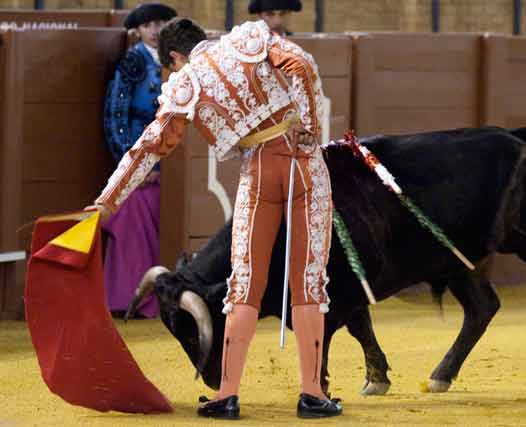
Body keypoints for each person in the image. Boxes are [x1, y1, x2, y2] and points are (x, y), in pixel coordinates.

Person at [87, 17, 342, 419]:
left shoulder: (187, 83)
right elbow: (302, 65)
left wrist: (107, 200)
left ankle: (227, 395)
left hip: (259, 171)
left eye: (168, 68)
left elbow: (150, 146)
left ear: (174, 57)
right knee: (308, 280)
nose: (171, 75)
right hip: (305, 165)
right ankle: (313, 394)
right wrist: (308, 126)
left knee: (244, 283)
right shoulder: (247, 38)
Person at [102, 3, 176, 318]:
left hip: (167, 164)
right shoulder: (132, 61)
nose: (156, 31)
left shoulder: (173, 59)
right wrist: (133, 167)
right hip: (140, 163)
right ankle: (128, 299)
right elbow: (115, 116)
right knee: (134, 229)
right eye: (149, 25)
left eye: (161, 24)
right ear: (138, 30)